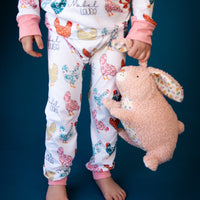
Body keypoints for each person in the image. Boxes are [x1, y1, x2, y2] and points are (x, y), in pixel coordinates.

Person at [17, 0, 156, 199]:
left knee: (108, 106)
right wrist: (28, 17)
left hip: (112, 31)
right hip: (64, 31)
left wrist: (143, 27)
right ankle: (56, 177)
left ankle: (102, 168)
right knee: (62, 108)